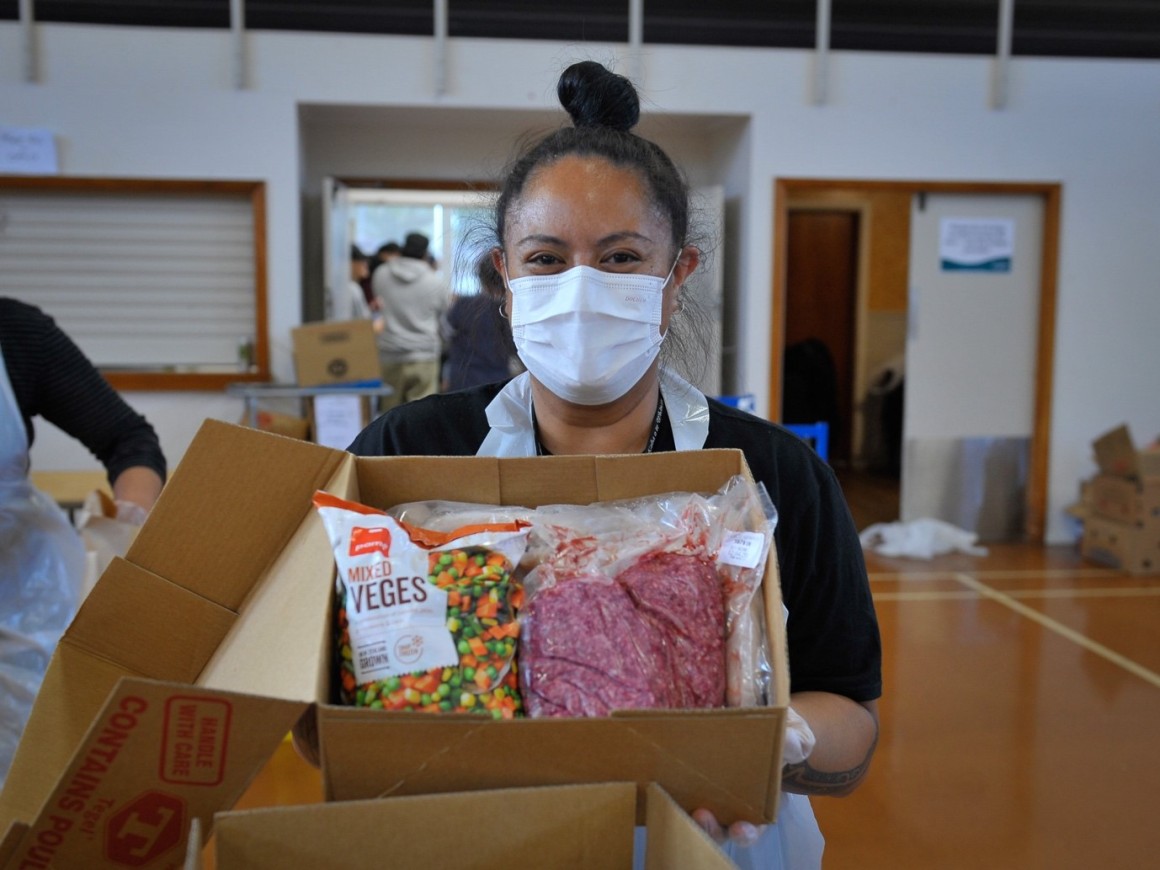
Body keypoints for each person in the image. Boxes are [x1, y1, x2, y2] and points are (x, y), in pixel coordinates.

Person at [346, 61, 880, 868]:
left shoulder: (769, 475)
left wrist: (768, 744)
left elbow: (853, 723)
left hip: (710, 846)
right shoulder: (409, 457)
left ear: (677, 279)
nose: (583, 288)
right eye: (547, 258)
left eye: (623, 258)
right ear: (504, 279)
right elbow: (338, 710)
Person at [0, 297, 166, 784]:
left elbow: (128, 439)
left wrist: (127, 521)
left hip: (26, 600)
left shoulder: (15, 333)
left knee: (41, 780)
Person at [371, 232, 453, 409]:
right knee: (421, 416)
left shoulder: (381, 273)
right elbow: (443, 318)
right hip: (424, 355)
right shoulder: (435, 282)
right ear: (425, 253)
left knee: (388, 416)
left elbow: (379, 302)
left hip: (389, 353)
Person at [440, 256, 522, 391]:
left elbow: (446, 333)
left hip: (462, 380)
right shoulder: (510, 310)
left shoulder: (463, 304)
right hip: (497, 382)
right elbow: (516, 350)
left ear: (480, 276)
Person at [328, 244, 375, 322]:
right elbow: (364, 325)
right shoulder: (352, 288)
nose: (366, 265)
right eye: (362, 261)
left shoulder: (339, 286)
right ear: (351, 263)